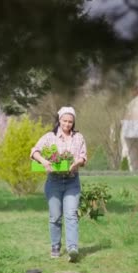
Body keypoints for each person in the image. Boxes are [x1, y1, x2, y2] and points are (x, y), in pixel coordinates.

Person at [30, 106, 87, 262]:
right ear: (59, 120)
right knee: (55, 216)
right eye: (64, 121)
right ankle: (55, 246)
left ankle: (72, 248)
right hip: (53, 182)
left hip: (72, 182)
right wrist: (44, 161)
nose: (67, 124)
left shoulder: (78, 137)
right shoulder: (50, 137)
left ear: (73, 122)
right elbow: (34, 151)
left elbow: (83, 156)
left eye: (70, 121)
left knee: (71, 215)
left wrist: (77, 163)